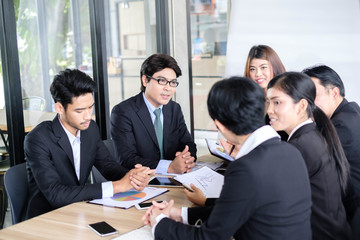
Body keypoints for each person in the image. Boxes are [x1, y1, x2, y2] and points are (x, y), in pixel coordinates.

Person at [142, 77, 312, 240]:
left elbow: (209, 237)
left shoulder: (245, 168)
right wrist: (180, 214)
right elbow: (232, 209)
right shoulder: (291, 152)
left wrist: (159, 222)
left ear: (219, 125)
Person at [25, 69, 154, 219]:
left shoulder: (90, 129)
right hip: (46, 218)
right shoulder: (38, 139)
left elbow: (108, 166)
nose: (88, 116)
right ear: (59, 108)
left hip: (79, 210)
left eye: (90, 107)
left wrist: (132, 176)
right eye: (79, 111)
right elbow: (56, 194)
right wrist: (117, 186)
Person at [266, 71, 351, 239]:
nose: (269, 110)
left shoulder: (299, 146)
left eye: (277, 102)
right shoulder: (311, 135)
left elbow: (265, 199)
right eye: (268, 102)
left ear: (302, 106)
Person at [111, 54, 196, 174]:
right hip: (143, 183)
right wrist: (169, 167)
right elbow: (126, 159)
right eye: (162, 81)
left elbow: (188, 144)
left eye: (173, 82)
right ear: (145, 80)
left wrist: (186, 158)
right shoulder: (123, 112)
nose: (168, 88)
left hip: (175, 180)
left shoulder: (174, 109)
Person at [303, 64, 360, 236]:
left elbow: (311, 159)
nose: (308, 104)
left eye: (313, 96)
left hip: (351, 214)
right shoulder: (351, 111)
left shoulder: (341, 125)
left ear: (334, 93)